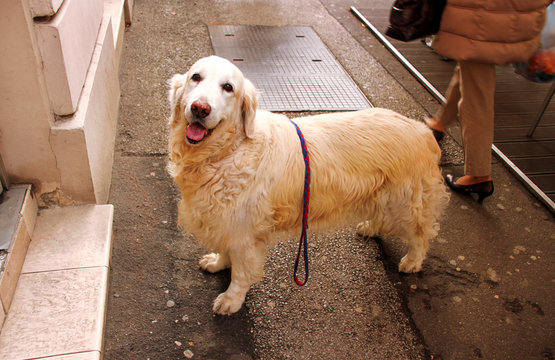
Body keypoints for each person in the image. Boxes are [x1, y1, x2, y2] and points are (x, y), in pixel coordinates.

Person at [425, 0, 551, 203]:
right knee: (471, 70)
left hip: (484, 18)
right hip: (512, 16)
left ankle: (478, 174)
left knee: (476, 95)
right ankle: (441, 122)